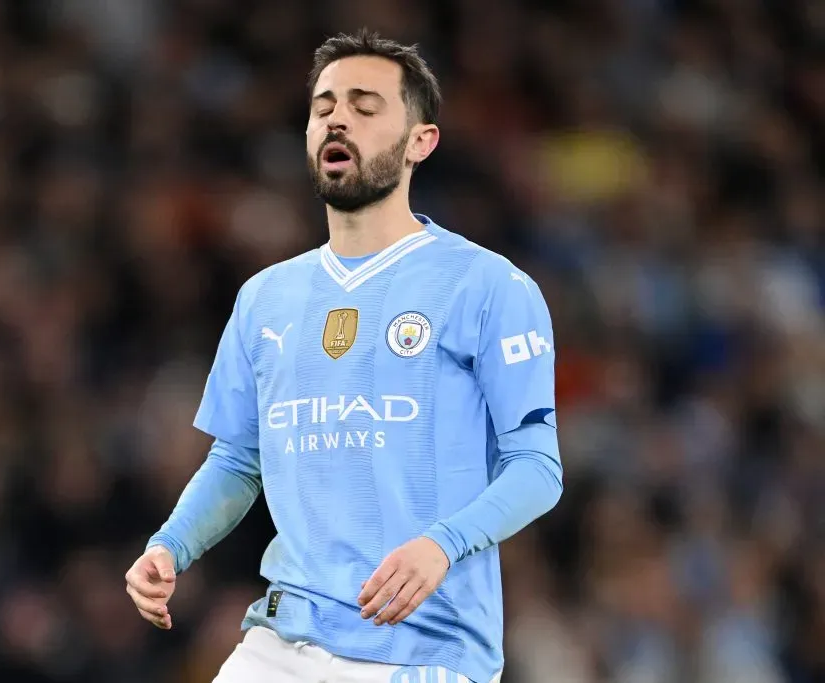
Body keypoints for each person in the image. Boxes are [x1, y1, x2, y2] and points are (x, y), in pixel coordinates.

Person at [126, 29, 564, 683]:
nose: (337, 117)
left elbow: (537, 466)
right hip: (280, 640)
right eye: (324, 105)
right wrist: (171, 544)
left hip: (425, 646)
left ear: (421, 140)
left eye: (365, 106)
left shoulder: (487, 286)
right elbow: (239, 458)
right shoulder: (265, 299)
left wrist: (443, 545)